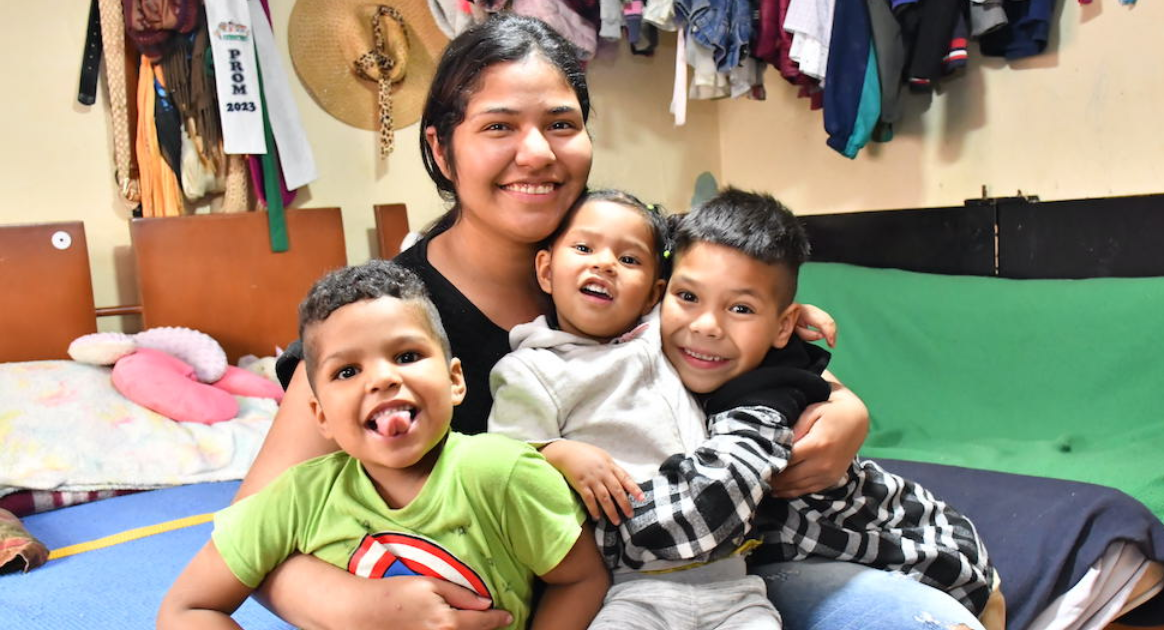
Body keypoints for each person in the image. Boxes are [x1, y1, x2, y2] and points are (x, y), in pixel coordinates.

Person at [238, 13, 949, 630]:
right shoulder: (389, 316)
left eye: (561, 124)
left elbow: (755, 345)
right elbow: (251, 531)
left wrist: (844, 406)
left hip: (717, 575)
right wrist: (351, 607)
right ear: (439, 150)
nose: (538, 153)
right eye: (498, 127)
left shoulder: (635, 254)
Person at [489, 187, 995, 629]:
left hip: (879, 535)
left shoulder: (751, 390)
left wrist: (812, 358)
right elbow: (506, 454)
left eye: (741, 309)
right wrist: (558, 453)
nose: (707, 325)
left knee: (970, 603)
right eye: (688, 298)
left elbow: (702, 514)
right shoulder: (619, 343)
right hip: (718, 564)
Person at [159, 261, 609, 630]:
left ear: (455, 380)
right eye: (348, 372)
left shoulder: (505, 475)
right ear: (320, 416)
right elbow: (186, 609)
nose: (382, 378)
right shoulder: (296, 498)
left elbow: (582, 580)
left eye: (406, 356)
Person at [487, 188, 807, 628]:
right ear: (545, 270)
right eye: (584, 248)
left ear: (654, 294)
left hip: (733, 585)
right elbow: (502, 459)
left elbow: (726, 306)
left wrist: (803, 317)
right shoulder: (530, 369)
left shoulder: (660, 334)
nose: (603, 263)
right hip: (632, 587)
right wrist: (556, 452)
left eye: (629, 260)